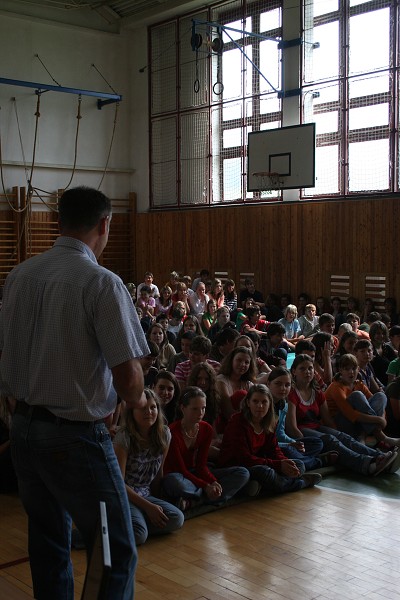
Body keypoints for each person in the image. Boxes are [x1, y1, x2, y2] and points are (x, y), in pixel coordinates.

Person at [0, 186, 149, 600]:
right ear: (105, 224)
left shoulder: (19, 275)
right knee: (115, 549)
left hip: (24, 431)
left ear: (58, 222)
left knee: (48, 543)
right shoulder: (101, 283)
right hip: (74, 436)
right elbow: (130, 382)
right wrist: (134, 397)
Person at [287, 354, 400, 476]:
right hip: (302, 430)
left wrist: (338, 434)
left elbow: (328, 420)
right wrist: (304, 444)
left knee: (342, 437)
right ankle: (367, 464)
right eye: (302, 369)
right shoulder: (292, 394)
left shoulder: (317, 392)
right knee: (330, 440)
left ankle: (380, 456)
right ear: (294, 371)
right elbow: (293, 428)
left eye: (310, 368)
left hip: (316, 426)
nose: (307, 372)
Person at [217, 384, 322, 494]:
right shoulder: (237, 422)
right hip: (239, 466)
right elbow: (244, 458)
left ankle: (267, 484)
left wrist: (284, 461)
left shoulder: (269, 422)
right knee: (265, 472)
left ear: (269, 404)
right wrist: (279, 465)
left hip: (260, 462)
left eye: (264, 402)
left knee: (298, 464)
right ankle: (300, 483)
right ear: (248, 403)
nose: (260, 406)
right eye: (255, 401)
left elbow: (274, 449)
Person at [113, 389, 184, 545]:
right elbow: (119, 484)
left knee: (177, 518)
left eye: (153, 407)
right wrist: (148, 507)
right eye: (143, 408)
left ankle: (134, 521)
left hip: (145, 494)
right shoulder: (123, 438)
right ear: (132, 412)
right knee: (139, 534)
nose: (149, 412)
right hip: (125, 496)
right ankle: (116, 526)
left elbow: (158, 473)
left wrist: (155, 503)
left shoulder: (164, 433)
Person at [162, 387, 250, 509]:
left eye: (203, 408)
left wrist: (213, 482)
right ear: (183, 408)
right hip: (177, 475)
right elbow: (182, 470)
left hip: (195, 472)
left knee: (243, 473)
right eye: (195, 409)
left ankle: (195, 501)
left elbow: (201, 465)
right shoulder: (172, 432)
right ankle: (207, 497)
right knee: (175, 483)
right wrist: (206, 486)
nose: (200, 413)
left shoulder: (206, 429)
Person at [326, 353, 399, 448]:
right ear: (340, 370)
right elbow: (350, 414)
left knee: (381, 395)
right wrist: (379, 419)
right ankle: (381, 436)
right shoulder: (336, 387)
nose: (351, 372)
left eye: (354, 368)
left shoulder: (358, 384)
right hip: (340, 423)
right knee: (357, 395)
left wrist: (382, 418)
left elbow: (374, 403)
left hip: (359, 422)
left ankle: (364, 435)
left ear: (358, 369)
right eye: (347, 369)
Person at [267, 368, 329, 471]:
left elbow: (280, 434)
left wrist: (294, 443)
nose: (283, 388)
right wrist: (289, 445)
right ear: (269, 384)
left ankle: (304, 459)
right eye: (278, 384)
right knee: (288, 450)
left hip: (280, 443)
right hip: (270, 447)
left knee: (317, 443)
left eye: (287, 385)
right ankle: (316, 461)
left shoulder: (283, 406)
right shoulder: (264, 405)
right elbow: (266, 442)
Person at [215, 346, 257, 429]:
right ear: (231, 361)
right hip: (226, 424)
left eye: (246, 362)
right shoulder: (221, 380)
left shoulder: (248, 384)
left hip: (244, 424)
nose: (242, 364)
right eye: (239, 360)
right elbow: (227, 411)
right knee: (241, 394)